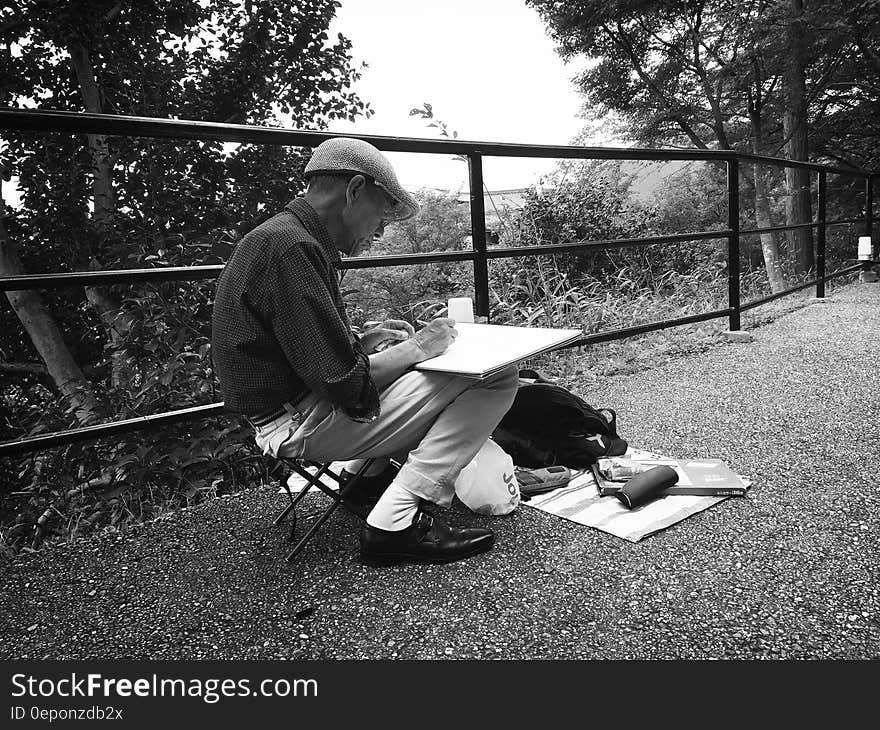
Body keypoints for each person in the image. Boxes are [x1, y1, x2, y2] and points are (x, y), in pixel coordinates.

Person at [211, 137, 518, 566]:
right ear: (354, 189)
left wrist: (364, 342)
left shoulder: (283, 236)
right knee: (498, 376)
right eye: (383, 212)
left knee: (424, 369)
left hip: (286, 410)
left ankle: (363, 479)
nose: (382, 229)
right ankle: (393, 523)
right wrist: (418, 346)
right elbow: (347, 385)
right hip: (300, 422)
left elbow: (307, 353)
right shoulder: (293, 249)